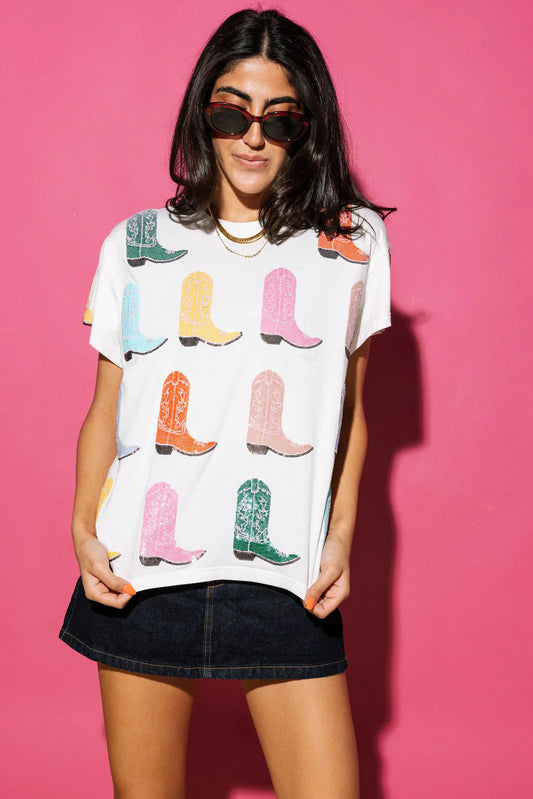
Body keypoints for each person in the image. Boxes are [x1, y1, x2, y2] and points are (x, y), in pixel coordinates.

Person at [58, 7, 396, 798]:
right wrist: (81, 527)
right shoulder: (134, 243)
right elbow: (106, 405)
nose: (252, 137)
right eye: (230, 113)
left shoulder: (350, 243)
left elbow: (350, 409)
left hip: (284, 575)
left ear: (306, 127)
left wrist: (339, 535)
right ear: (200, 113)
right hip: (139, 574)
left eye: (279, 119)